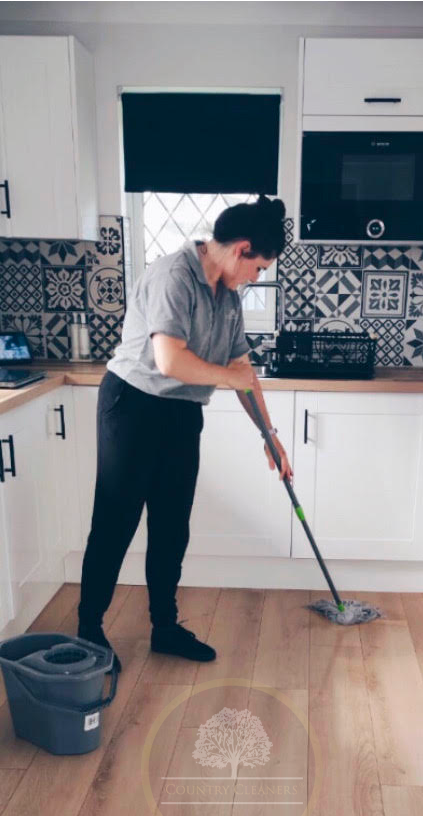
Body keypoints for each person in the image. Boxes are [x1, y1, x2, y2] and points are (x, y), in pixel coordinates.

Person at [77, 195, 293, 671]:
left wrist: (269, 436)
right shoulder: (173, 274)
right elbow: (169, 361)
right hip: (131, 405)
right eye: (259, 268)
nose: (257, 278)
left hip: (180, 414)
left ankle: (165, 628)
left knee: (172, 528)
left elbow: (242, 371)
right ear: (241, 249)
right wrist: (230, 376)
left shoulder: (228, 298)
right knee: (116, 523)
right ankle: (89, 631)